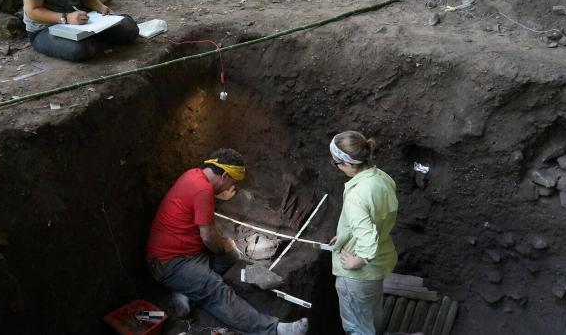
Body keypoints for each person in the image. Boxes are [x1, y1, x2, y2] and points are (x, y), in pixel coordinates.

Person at [146, 149, 308, 335]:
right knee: (217, 289)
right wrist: (223, 244)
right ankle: (274, 330)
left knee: (231, 255)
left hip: (187, 254)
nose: (232, 186)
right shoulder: (203, 191)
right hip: (170, 262)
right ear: (224, 175)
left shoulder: (194, 175)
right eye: (232, 181)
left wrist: (225, 245)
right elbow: (207, 237)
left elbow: (198, 206)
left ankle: (185, 291)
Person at [328, 131, 398, 335]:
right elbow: (376, 218)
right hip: (379, 266)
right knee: (372, 314)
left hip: (357, 277)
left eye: (337, 164)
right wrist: (345, 237)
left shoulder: (357, 194)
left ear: (349, 164)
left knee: (357, 327)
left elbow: (367, 236)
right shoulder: (382, 178)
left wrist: (359, 261)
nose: (338, 168)